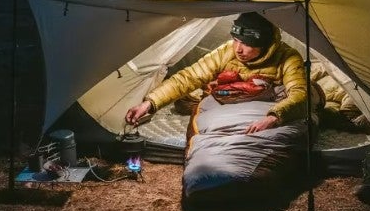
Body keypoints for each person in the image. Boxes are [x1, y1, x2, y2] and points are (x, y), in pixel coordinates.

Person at [125, 12, 309, 134]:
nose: (238, 49)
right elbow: (189, 77)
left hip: (264, 111)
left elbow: (299, 93)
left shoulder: (288, 57)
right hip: (230, 108)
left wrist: (273, 117)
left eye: (246, 43)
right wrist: (150, 103)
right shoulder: (227, 51)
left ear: (264, 44)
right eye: (236, 40)